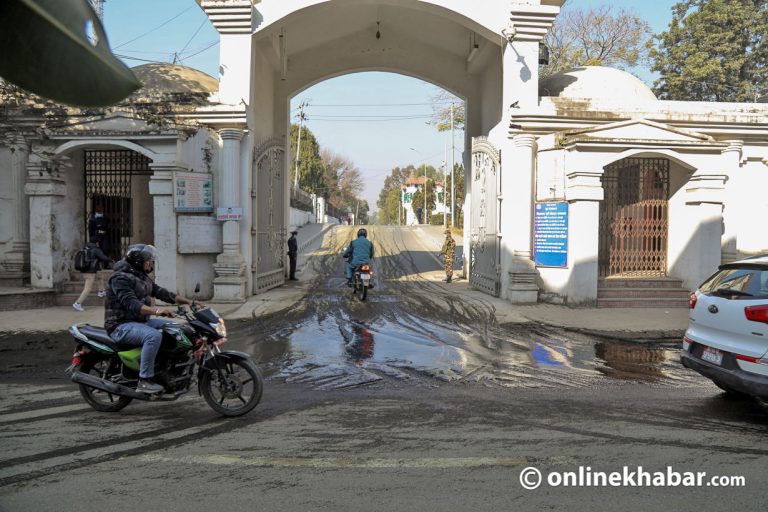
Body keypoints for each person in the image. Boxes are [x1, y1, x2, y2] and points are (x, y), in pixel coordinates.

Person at [104, 244, 204, 394]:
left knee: (177, 329)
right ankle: (145, 380)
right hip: (120, 325)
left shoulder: (140, 275)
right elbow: (132, 304)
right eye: (148, 260)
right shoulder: (120, 278)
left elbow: (161, 293)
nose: (151, 263)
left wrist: (190, 302)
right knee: (153, 336)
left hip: (139, 321)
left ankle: (164, 368)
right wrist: (158, 311)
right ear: (138, 261)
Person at [72, 240, 112, 312]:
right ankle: (77, 303)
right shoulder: (96, 250)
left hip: (86, 270)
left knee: (100, 277)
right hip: (90, 272)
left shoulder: (85, 249)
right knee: (88, 288)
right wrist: (110, 260)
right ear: (96, 243)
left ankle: (101, 291)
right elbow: (103, 258)